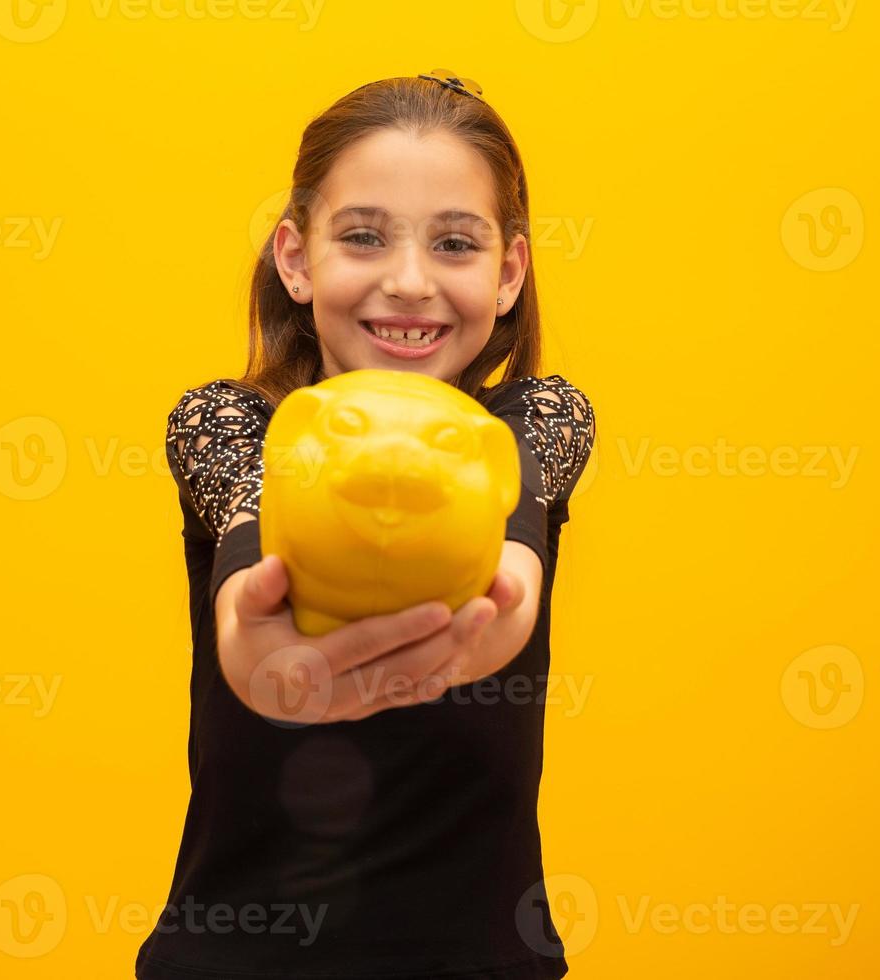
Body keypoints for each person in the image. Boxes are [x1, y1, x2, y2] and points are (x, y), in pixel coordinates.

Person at [138, 70, 597, 980]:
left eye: (456, 244)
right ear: (297, 260)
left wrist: (489, 622)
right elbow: (246, 556)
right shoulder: (231, 427)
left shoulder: (536, 422)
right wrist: (255, 651)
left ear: (509, 273)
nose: (410, 281)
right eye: (363, 238)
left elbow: (513, 556)